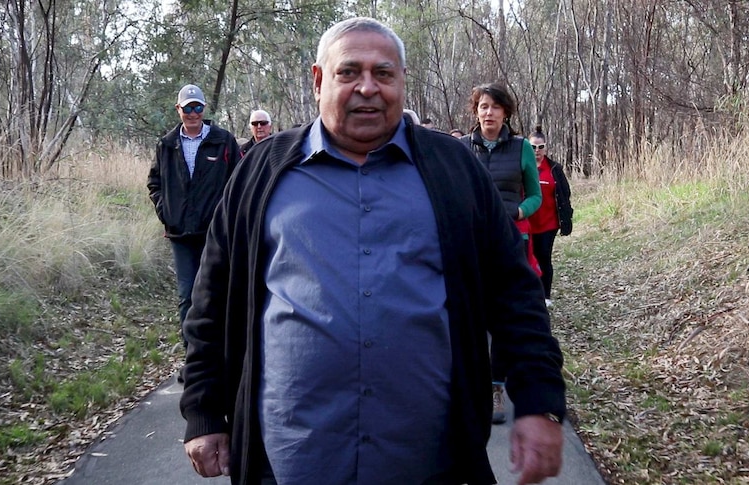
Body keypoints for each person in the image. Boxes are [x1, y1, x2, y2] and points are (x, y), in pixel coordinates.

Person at [180, 17, 565, 485]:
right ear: (319, 80)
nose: (368, 88)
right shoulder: (262, 172)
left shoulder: (454, 170)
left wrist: (539, 400)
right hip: (291, 457)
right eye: (349, 73)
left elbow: (514, 291)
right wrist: (203, 411)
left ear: (402, 82)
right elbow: (211, 300)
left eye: (383, 74)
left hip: (428, 457)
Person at [459, 82, 543, 425]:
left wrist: (518, 213)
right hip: (470, 244)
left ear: (506, 112)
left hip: (509, 243)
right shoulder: (462, 147)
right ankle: (468, 387)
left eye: (494, 107)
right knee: (469, 316)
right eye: (482, 107)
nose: (488, 113)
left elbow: (535, 196)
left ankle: (496, 389)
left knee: (502, 317)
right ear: (475, 112)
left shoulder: (522, 147)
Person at [147, 83, 241, 347]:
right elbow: (154, 183)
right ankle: (192, 357)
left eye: (197, 107)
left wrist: (227, 220)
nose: (193, 113)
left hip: (214, 234)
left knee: (214, 293)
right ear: (179, 109)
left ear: (204, 109)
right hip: (180, 235)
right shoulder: (166, 145)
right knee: (187, 296)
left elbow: (240, 181)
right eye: (188, 108)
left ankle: (219, 355)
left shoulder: (223, 141)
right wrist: (166, 213)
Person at [527, 128, 573, 308]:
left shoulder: (554, 169)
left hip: (548, 223)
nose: (536, 151)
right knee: (528, 258)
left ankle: (545, 296)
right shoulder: (522, 167)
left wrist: (566, 219)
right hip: (528, 223)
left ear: (546, 148)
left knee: (544, 256)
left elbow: (564, 194)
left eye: (540, 147)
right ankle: (531, 294)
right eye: (532, 147)